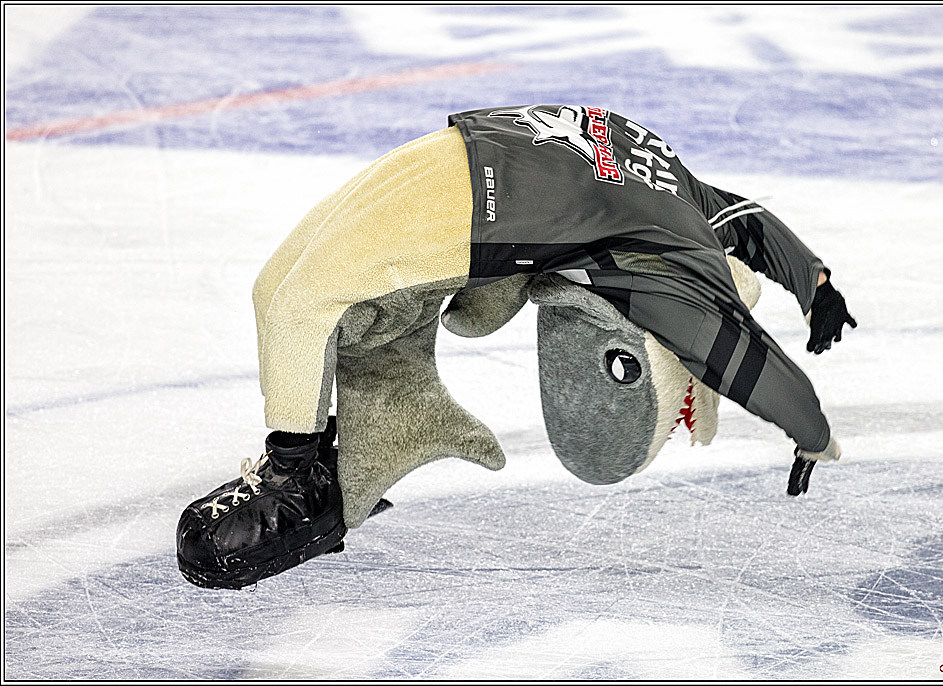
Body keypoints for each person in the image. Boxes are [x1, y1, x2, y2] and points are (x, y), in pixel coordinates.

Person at [176, 105, 857, 589]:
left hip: (455, 168)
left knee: (293, 301)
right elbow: (745, 274)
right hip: (455, 172)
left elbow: (739, 335)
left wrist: (811, 405)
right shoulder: (681, 221)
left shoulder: (668, 181)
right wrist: (814, 291)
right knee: (281, 292)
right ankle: (316, 461)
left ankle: (297, 482)